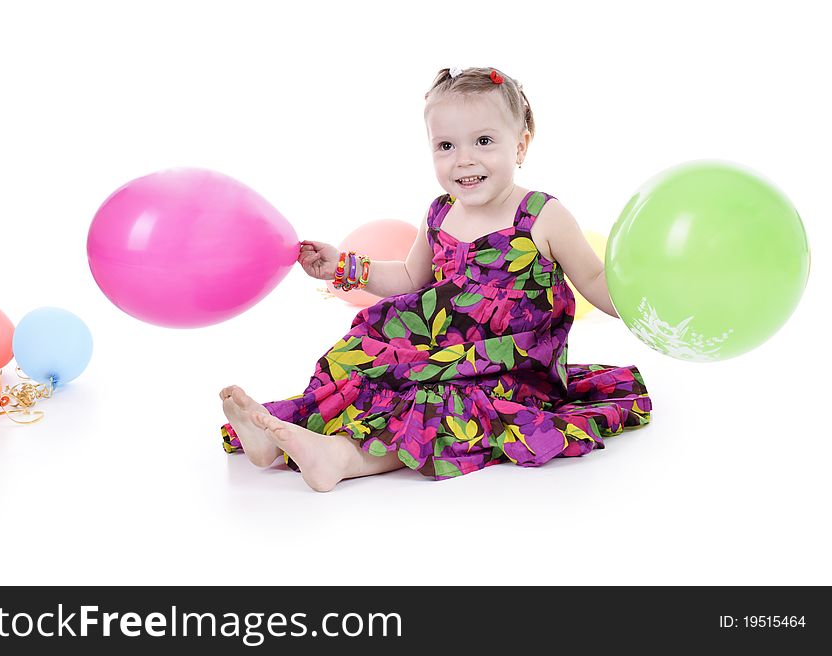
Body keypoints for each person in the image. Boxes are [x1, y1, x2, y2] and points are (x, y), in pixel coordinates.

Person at [219, 66, 651, 492]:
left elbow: (594, 278)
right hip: (441, 347)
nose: (463, 159)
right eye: (446, 145)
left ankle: (341, 458)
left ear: (519, 146)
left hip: (510, 365)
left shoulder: (541, 215)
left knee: (446, 407)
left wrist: (649, 306)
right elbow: (410, 278)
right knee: (361, 361)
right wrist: (344, 267)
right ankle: (277, 439)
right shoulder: (440, 213)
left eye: (483, 141)